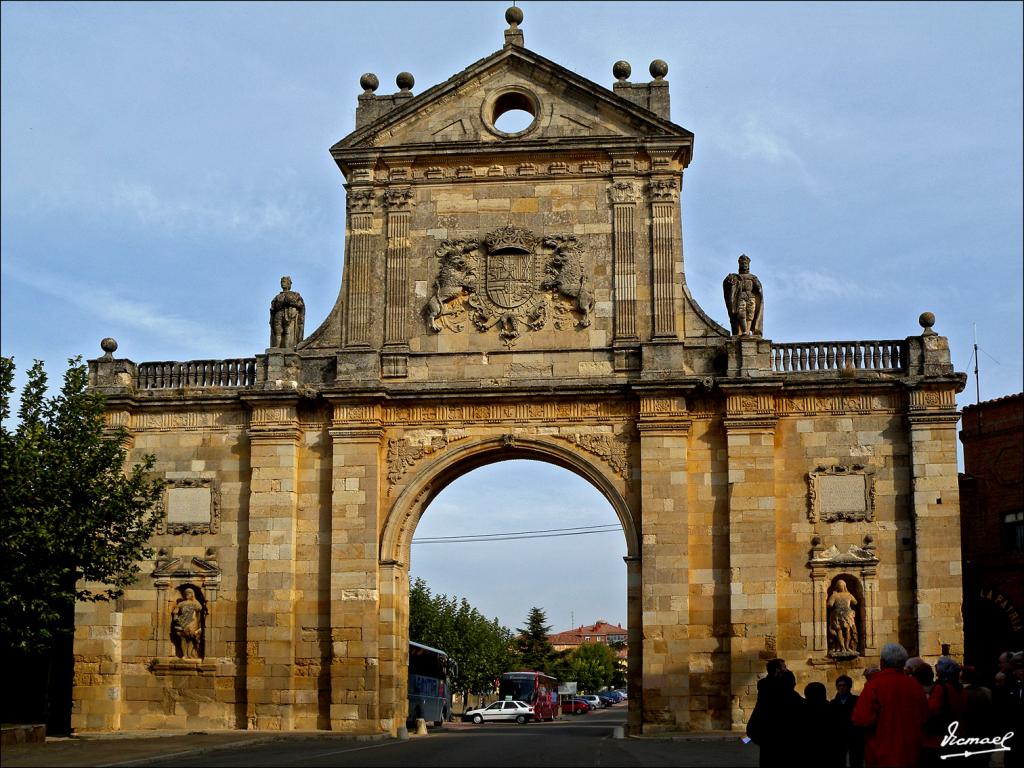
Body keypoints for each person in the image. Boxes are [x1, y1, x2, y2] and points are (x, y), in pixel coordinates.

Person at [851, 642, 928, 768]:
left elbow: (861, 719)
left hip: (881, 754)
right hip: (912, 754)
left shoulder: (874, 686)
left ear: (882, 663)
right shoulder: (915, 686)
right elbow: (925, 716)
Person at [747, 669, 806, 766]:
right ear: (793, 683)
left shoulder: (766, 700)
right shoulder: (798, 701)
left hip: (770, 751)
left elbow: (752, 729)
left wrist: (765, 742)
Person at [922, 657, 968, 766]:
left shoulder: (941, 688)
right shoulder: (960, 688)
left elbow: (932, 710)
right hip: (957, 735)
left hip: (940, 739)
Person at [723, 253, 764, 337]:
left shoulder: (753, 277)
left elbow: (759, 288)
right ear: (740, 264)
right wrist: (729, 282)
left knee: (750, 315)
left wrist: (758, 287)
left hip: (751, 297)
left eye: (746, 263)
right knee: (741, 314)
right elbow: (728, 285)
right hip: (740, 296)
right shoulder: (735, 277)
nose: (744, 265)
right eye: (743, 263)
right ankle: (744, 331)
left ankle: (747, 332)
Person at [830, 675, 864, 768]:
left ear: (849, 686)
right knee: (839, 759)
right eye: (839, 685)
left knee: (856, 759)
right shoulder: (833, 703)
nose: (841, 688)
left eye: (844, 685)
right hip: (839, 735)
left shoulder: (857, 700)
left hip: (854, 734)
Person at [270, 275, 305, 349]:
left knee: (287, 331)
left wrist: (291, 302)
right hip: (278, 314)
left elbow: (300, 305)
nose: (282, 283)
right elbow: (273, 307)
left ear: (289, 283)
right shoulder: (277, 296)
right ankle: (277, 346)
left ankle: (287, 347)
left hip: (288, 314)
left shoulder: (294, 295)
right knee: (278, 332)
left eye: (284, 282)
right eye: (282, 282)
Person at [828, 580, 859, 656]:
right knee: (847, 630)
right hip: (847, 614)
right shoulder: (849, 594)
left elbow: (829, 605)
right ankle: (847, 647)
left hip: (838, 614)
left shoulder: (835, 595)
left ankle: (842, 648)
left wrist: (833, 595)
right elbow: (855, 602)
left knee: (839, 630)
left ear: (837, 587)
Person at [170, 587, 204, 659]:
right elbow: (175, 612)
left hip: (193, 623)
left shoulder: (195, 603)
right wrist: (176, 618)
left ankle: (190, 654)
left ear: (192, 594)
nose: (187, 594)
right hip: (182, 623)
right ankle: (184, 654)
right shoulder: (181, 603)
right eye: (185, 593)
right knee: (183, 639)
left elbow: (200, 608)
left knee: (192, 639)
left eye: (189, 593)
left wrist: (195, 601)